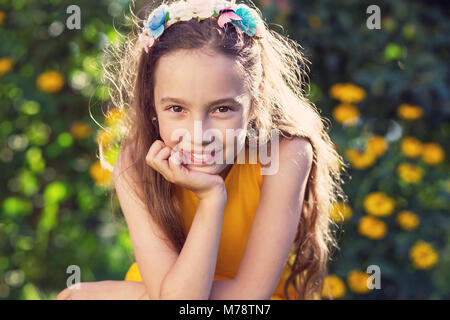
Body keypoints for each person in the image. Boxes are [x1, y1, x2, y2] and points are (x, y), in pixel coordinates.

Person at [56, 0, 347, 300]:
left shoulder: (286, 153)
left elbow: (242, 298)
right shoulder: (136, 162)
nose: (198, 135)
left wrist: (126, 294)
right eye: (177, 108)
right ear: (151, 100)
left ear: (255, 100)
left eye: (221, 108)